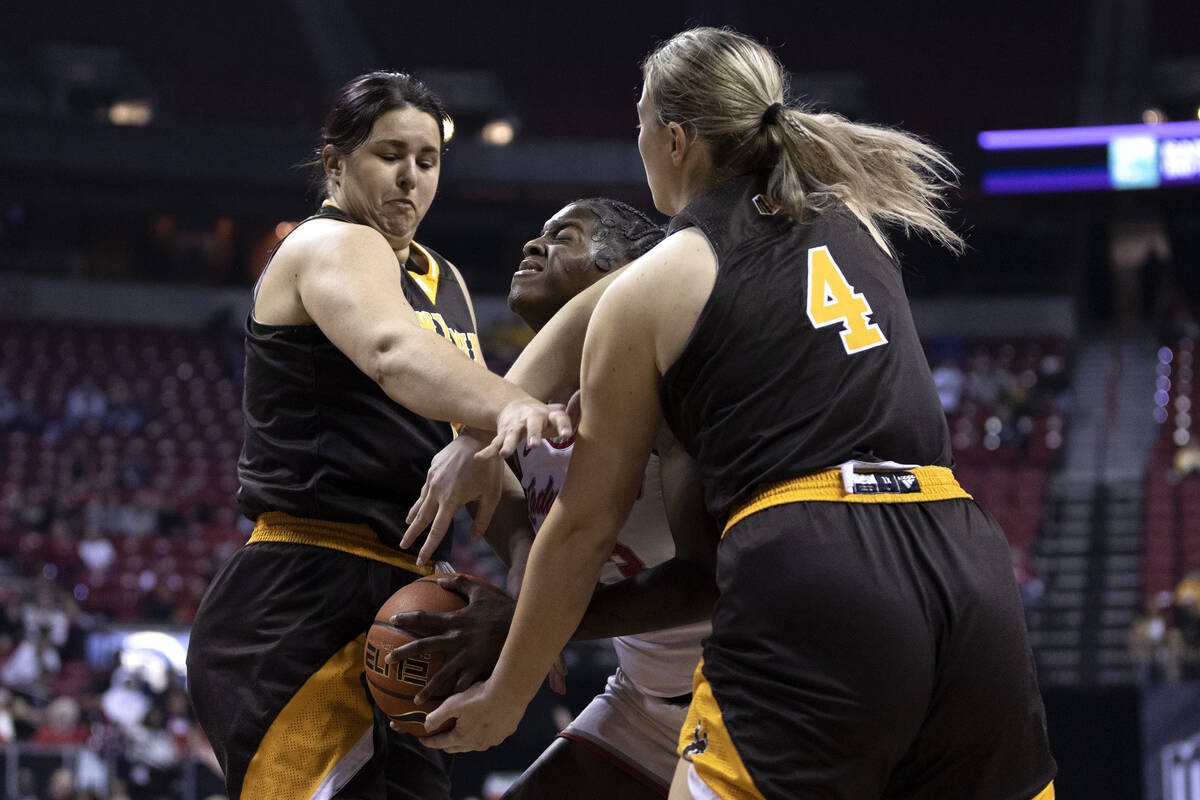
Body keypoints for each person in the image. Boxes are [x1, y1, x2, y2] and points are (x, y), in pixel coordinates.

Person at [419, 27, 1057, 800]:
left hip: (818, 558)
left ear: (676, 141)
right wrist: (484, 428)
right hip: (963, 559)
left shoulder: (653, 288)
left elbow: (584, 528)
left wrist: (507, 695)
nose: (639, 143)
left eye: (642, 124)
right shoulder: (853, 213)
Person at [184, 71, 571, 800]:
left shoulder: (444, 278)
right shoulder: (328, 244)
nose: (411, 177)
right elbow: (394, 354)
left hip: (411, 606)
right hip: (303, 593)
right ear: (335, 163)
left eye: (427, 161)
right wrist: (517, 402)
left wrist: (532, 582)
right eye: (389, 154)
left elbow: (474, 458)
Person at [397, 198, 713, 799]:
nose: (532, 246)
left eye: (562, 236)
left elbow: (707, 581)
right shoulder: (517, 396)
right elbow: (488, 483)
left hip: (739, 688)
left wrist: (530, 625)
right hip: (643, 701)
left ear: (628, 269)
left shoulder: (672, 392)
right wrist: (519, 546)